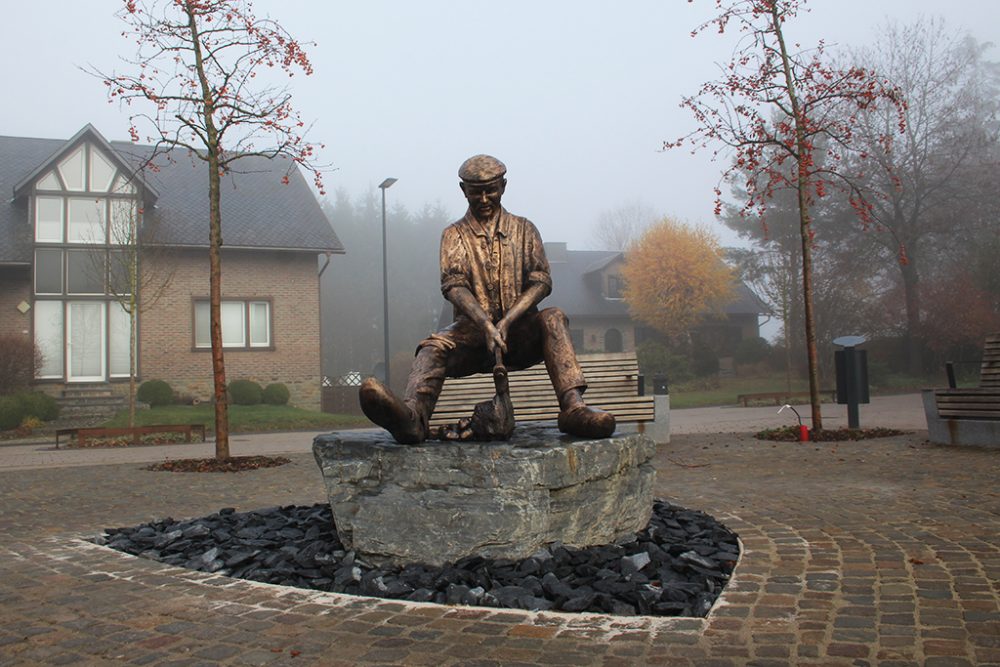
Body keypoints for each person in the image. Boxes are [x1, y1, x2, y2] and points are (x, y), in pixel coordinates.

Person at [359, 154, 615, 444]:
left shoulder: (525, 230)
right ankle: (413, 419)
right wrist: (485, 324)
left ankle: (573, 408)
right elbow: (453, 285)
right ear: (462, 190)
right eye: (475, 192)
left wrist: (506, 321)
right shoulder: (453, 235)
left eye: (490, 190)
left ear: (503, 186)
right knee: (432, 347)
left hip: (520, 336)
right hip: (471, 337)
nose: (483, 199)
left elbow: (541, 281)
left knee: (552, 317)